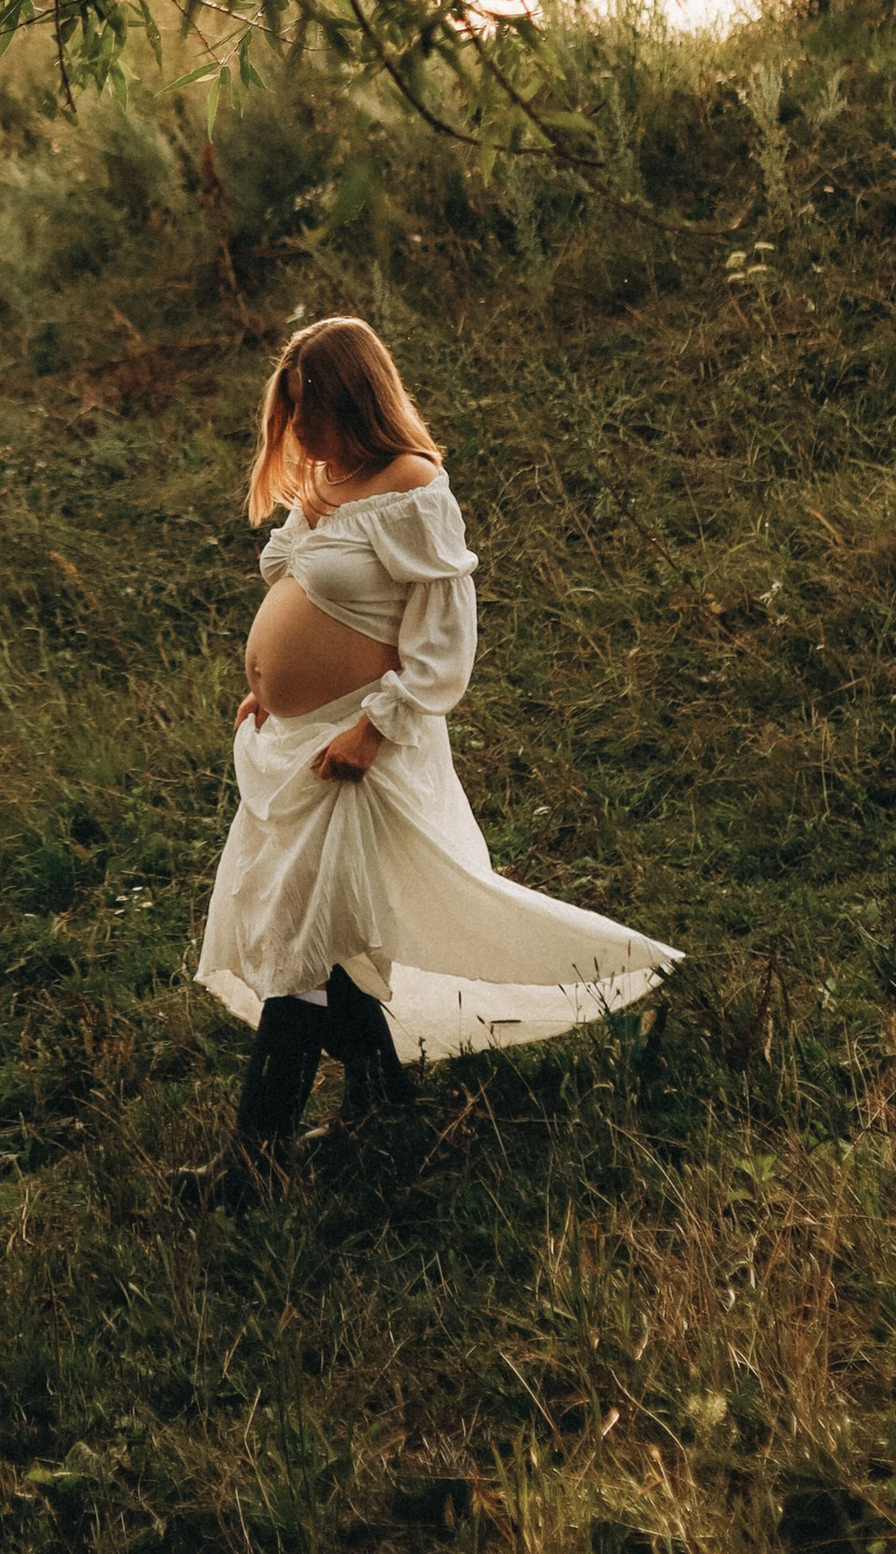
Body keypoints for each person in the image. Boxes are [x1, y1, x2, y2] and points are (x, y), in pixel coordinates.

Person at [188, 315, 680, 1202]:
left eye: (312, 410)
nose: (299, 431)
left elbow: (443, 637)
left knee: (302, 949)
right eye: (291, 412)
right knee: (324, 935)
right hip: (296, 743)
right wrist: (271, 687)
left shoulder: (412, 485)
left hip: (356, 752)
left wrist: (372, 730)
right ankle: (378, 1106)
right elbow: (306, 592)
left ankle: (250, 1165)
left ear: (355, 399)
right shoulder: (325, 482)